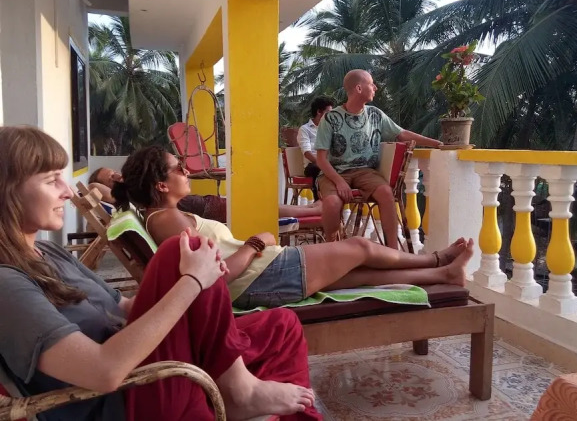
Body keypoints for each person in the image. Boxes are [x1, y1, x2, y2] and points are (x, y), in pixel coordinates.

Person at [0, 126, 320, 421]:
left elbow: (126, 307)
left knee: (281, 326)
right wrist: (192, 281)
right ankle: (240, 392)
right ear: (6, 192)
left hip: (143, 365)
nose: (67, 191)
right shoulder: (7, 285)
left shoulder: (49, 252)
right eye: (51, 180)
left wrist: (196, 300)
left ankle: (257, 399)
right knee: (179, 252)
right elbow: (103, 371)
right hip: (126, 399)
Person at [113, 146, 474, 311]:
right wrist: (255, 244)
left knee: (359, 274)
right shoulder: (168, 220)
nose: (186, 170)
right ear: (161, 184)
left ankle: (443, 272)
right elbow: (211, 276)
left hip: (262, 276)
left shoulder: (164, 216)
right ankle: (436, 259)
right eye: (178, 167)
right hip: (260, 278)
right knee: (360, 248)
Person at [315, 69, 445, 248]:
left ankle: (392, 252)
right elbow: (321, 159)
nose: (375, 87)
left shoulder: (375, 114)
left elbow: (401, 134)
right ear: (359, 88)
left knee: (386, 193)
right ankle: (330, 249)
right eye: (371, 84)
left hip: (365, 172)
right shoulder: (330, 118)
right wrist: (339, 182)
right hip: (334, 172)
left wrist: (435, 143)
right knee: (331, 203)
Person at [89, 167, 322, 221]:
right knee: (259, 210)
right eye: (110, 177)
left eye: (114, 172)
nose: (116, 175)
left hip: (204, 204)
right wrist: (114, 181)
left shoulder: (135, 193)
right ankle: (309, 210)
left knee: (259, 206)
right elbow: (93, 189)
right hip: (206, 209)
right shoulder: (133, 195)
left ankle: (308, 208)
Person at [297, 96, 335, 200]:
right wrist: (322, 163)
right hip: (313, 165)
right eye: (328, 112)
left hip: (329, 164)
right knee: (317, 169)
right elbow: (307, 152)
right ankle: (319, 202)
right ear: (319, 112)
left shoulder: (331, 130)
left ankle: (334, 202)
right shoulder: (305, 129)